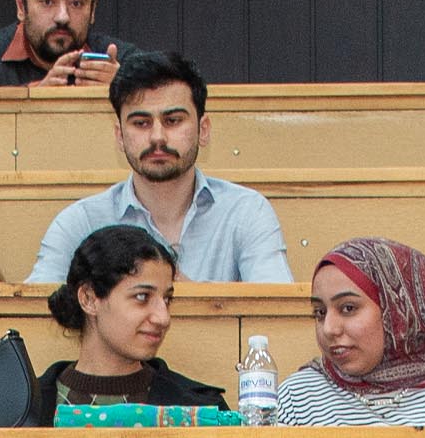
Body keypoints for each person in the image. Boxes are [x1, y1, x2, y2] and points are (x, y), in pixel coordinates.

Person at [24, 52, 287, 284]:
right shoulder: (80, 222)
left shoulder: (246, 212)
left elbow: (274, 313)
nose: (157, 137)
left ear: (203, 130)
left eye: (173, 120)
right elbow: (33, 314)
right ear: (119, 135)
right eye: (141, 123)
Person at [276, 236, 425, 427]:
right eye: (320, 312)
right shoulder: (298, 395)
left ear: (399, 312)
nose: (329, 328)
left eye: (348, 308)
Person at [30, 226, 226, 418]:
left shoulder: (203, 410)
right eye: (142, 297)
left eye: (167, 299)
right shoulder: (23, 411)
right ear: (89, 299)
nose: (163, 318)